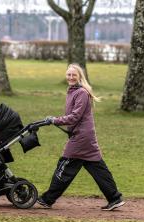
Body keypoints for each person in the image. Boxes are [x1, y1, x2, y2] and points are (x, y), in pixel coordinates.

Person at [37, 63, 125, 211]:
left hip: (80, 138)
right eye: (68, 75)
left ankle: (47, 199)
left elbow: (74, 117)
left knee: (65, 166)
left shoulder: (81, 93)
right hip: (85, 137)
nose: (71, 77)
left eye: (74, 75)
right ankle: (114, 197)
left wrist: (54, 120)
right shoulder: (72, 91)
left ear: (79, 77)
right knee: (98, 168)